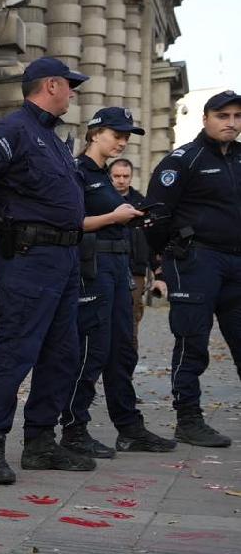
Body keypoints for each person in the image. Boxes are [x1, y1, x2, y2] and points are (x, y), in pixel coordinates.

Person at [0, 56, 96, 484]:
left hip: (64, 260)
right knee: (16, 350)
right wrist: (3, 214)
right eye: (69, 86)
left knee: (61, 352)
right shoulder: (14, 130)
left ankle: (39, 443)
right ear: (51, 85)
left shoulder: (52, 138)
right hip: (30, 257)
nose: (73, 93)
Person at [56, 108, 176, 456]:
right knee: (92, 351)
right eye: (116, 134)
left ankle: (130, 428)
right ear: (94, 133)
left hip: (119, 268)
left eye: (127, 136)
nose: (122, 141)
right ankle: (73, 429)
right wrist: (114, 216)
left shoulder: (105, 178)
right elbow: (68, 222)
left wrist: (137, 219)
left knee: (122, 351)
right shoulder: (77, 171)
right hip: (92, 269)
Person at [142, 89, 241, 448]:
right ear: (205, 119)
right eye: (223, 116)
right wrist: (167, 259)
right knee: (192, 342)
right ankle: (189, 419)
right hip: (196, 261)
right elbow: (156, 216)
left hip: (236, 263)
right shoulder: (183, 160)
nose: (231, 123)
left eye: (236, 117)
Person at [108, 157, 152, 348]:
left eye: (125, 176)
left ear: (131, 177)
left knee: (131, 320)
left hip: (135, 269)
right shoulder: (99, 201)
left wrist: (157, 271)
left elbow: (152, 240)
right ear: (109, 177)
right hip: (104, 265)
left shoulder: (142, 204)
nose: (121, 180)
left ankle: (125, 368)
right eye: (117, 176)